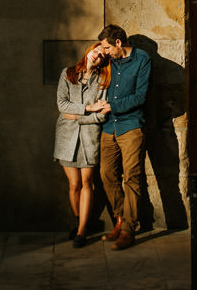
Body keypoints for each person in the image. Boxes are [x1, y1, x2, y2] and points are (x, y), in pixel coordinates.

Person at [95, 24, 152, 251]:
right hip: (109, 127)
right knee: (106, 174)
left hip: (130, 126)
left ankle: (129, 229)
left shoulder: (142, 60)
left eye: (107, 47)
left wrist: (112, 106)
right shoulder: (108, 60)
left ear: (118, 42)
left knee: (132, 177)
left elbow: (140, 96)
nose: (105, 52)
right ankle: (119, 218)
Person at [53, 43, 111, 248]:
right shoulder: (67, 73)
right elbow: (62, 105)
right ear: (89, 51)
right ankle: (80, 220)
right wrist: (89, 108)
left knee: (87, 183)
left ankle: (82, 231)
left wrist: (77, 116)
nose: (97, 55)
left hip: (89, 137)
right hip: (66, 137)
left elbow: (102, 115)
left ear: (103, 62)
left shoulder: (103, 80)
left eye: (102, 56)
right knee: (74, 184)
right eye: (96, 50)